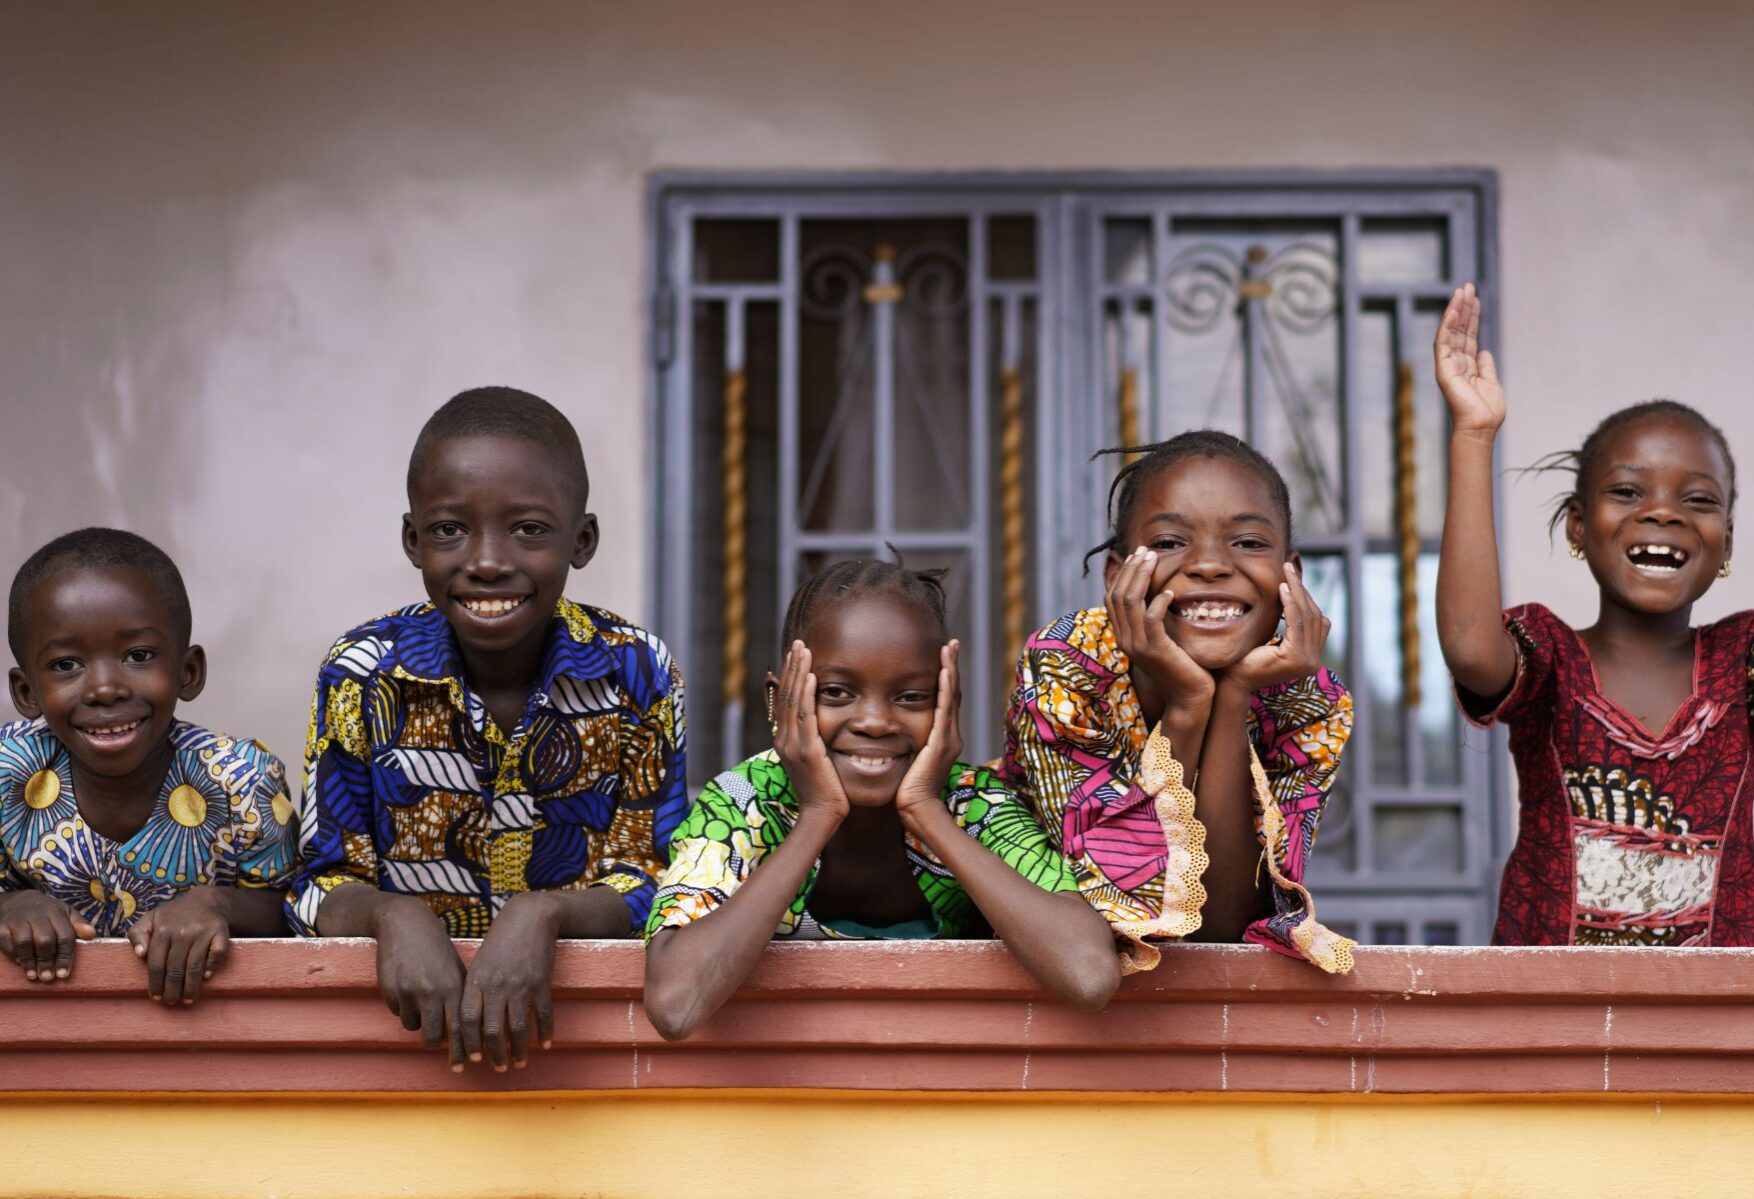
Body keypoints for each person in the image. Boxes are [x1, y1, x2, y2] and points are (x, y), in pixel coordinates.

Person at [289, 386, 688, 1070]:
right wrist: (393, 916)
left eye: (528, 529)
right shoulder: (361, 674)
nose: (486, 560)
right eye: (449, 529)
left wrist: (542, 914)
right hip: (399, 1054)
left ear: (581, 540)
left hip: (586, 1055)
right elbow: (316, 885)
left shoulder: (636, 670)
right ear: (413, 541)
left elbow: (653, 878)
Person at [643, 557, 1121, 1040]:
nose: (874, 720)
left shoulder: (974, 804)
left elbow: (1089, 975)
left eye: (912, 697)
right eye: (835, 692)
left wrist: (926, 810)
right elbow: (676, 1006)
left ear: (948, 704)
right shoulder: (744, 800)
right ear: (780, 699)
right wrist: (817, 814)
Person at [1435, 283, 1754, 946]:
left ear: (1726, 543)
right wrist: (1473, 436)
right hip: (1555, 1015)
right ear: (1576, 526)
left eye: (1698, 500)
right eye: (1626, 491)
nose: (1661, 511)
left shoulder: (1749, 658)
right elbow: (1468, 645)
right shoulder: (1547, 656)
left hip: (1731, 1018)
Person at [1001, 431, 1354, 975]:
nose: (1210, 565)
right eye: (1169, 543)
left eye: (1249, 543)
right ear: (1118, 577)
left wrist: (1233, 696)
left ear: (1293, 577)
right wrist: (1190, 703)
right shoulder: (1066, 665)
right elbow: (1129, 899)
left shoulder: (1310, 702)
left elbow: (1221, 924)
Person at [0, 528, 296, 1003]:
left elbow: (298, 909)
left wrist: (216, 903)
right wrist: (10, 904)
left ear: (188, 671)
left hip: (210, 1037)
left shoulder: (244, 779)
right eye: (65, 665)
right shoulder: (6, 774)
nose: (104, 688)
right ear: (26, 693)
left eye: (138, 656)